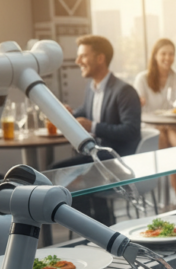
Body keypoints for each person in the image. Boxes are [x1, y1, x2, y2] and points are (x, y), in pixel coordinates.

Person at [51, 35, 141, 224]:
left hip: (116, 161)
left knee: (61, 173)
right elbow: (85, 112)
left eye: (83, 56)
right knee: (57, 172)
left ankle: (92, 226)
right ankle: (95, 224)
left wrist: (93, 126)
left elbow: (131, 131)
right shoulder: (92, 88)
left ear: (100, 58)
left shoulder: (124, 91)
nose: (78, 61)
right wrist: (70, 114)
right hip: (97, 158)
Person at [134, 38, 176, 208]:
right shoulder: (142, 78)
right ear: (155, 56)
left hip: (171, 125)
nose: (168, 57)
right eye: (163, 53)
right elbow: (138, 110)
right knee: (171, 149)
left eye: (171, 54)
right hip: (150, 128)